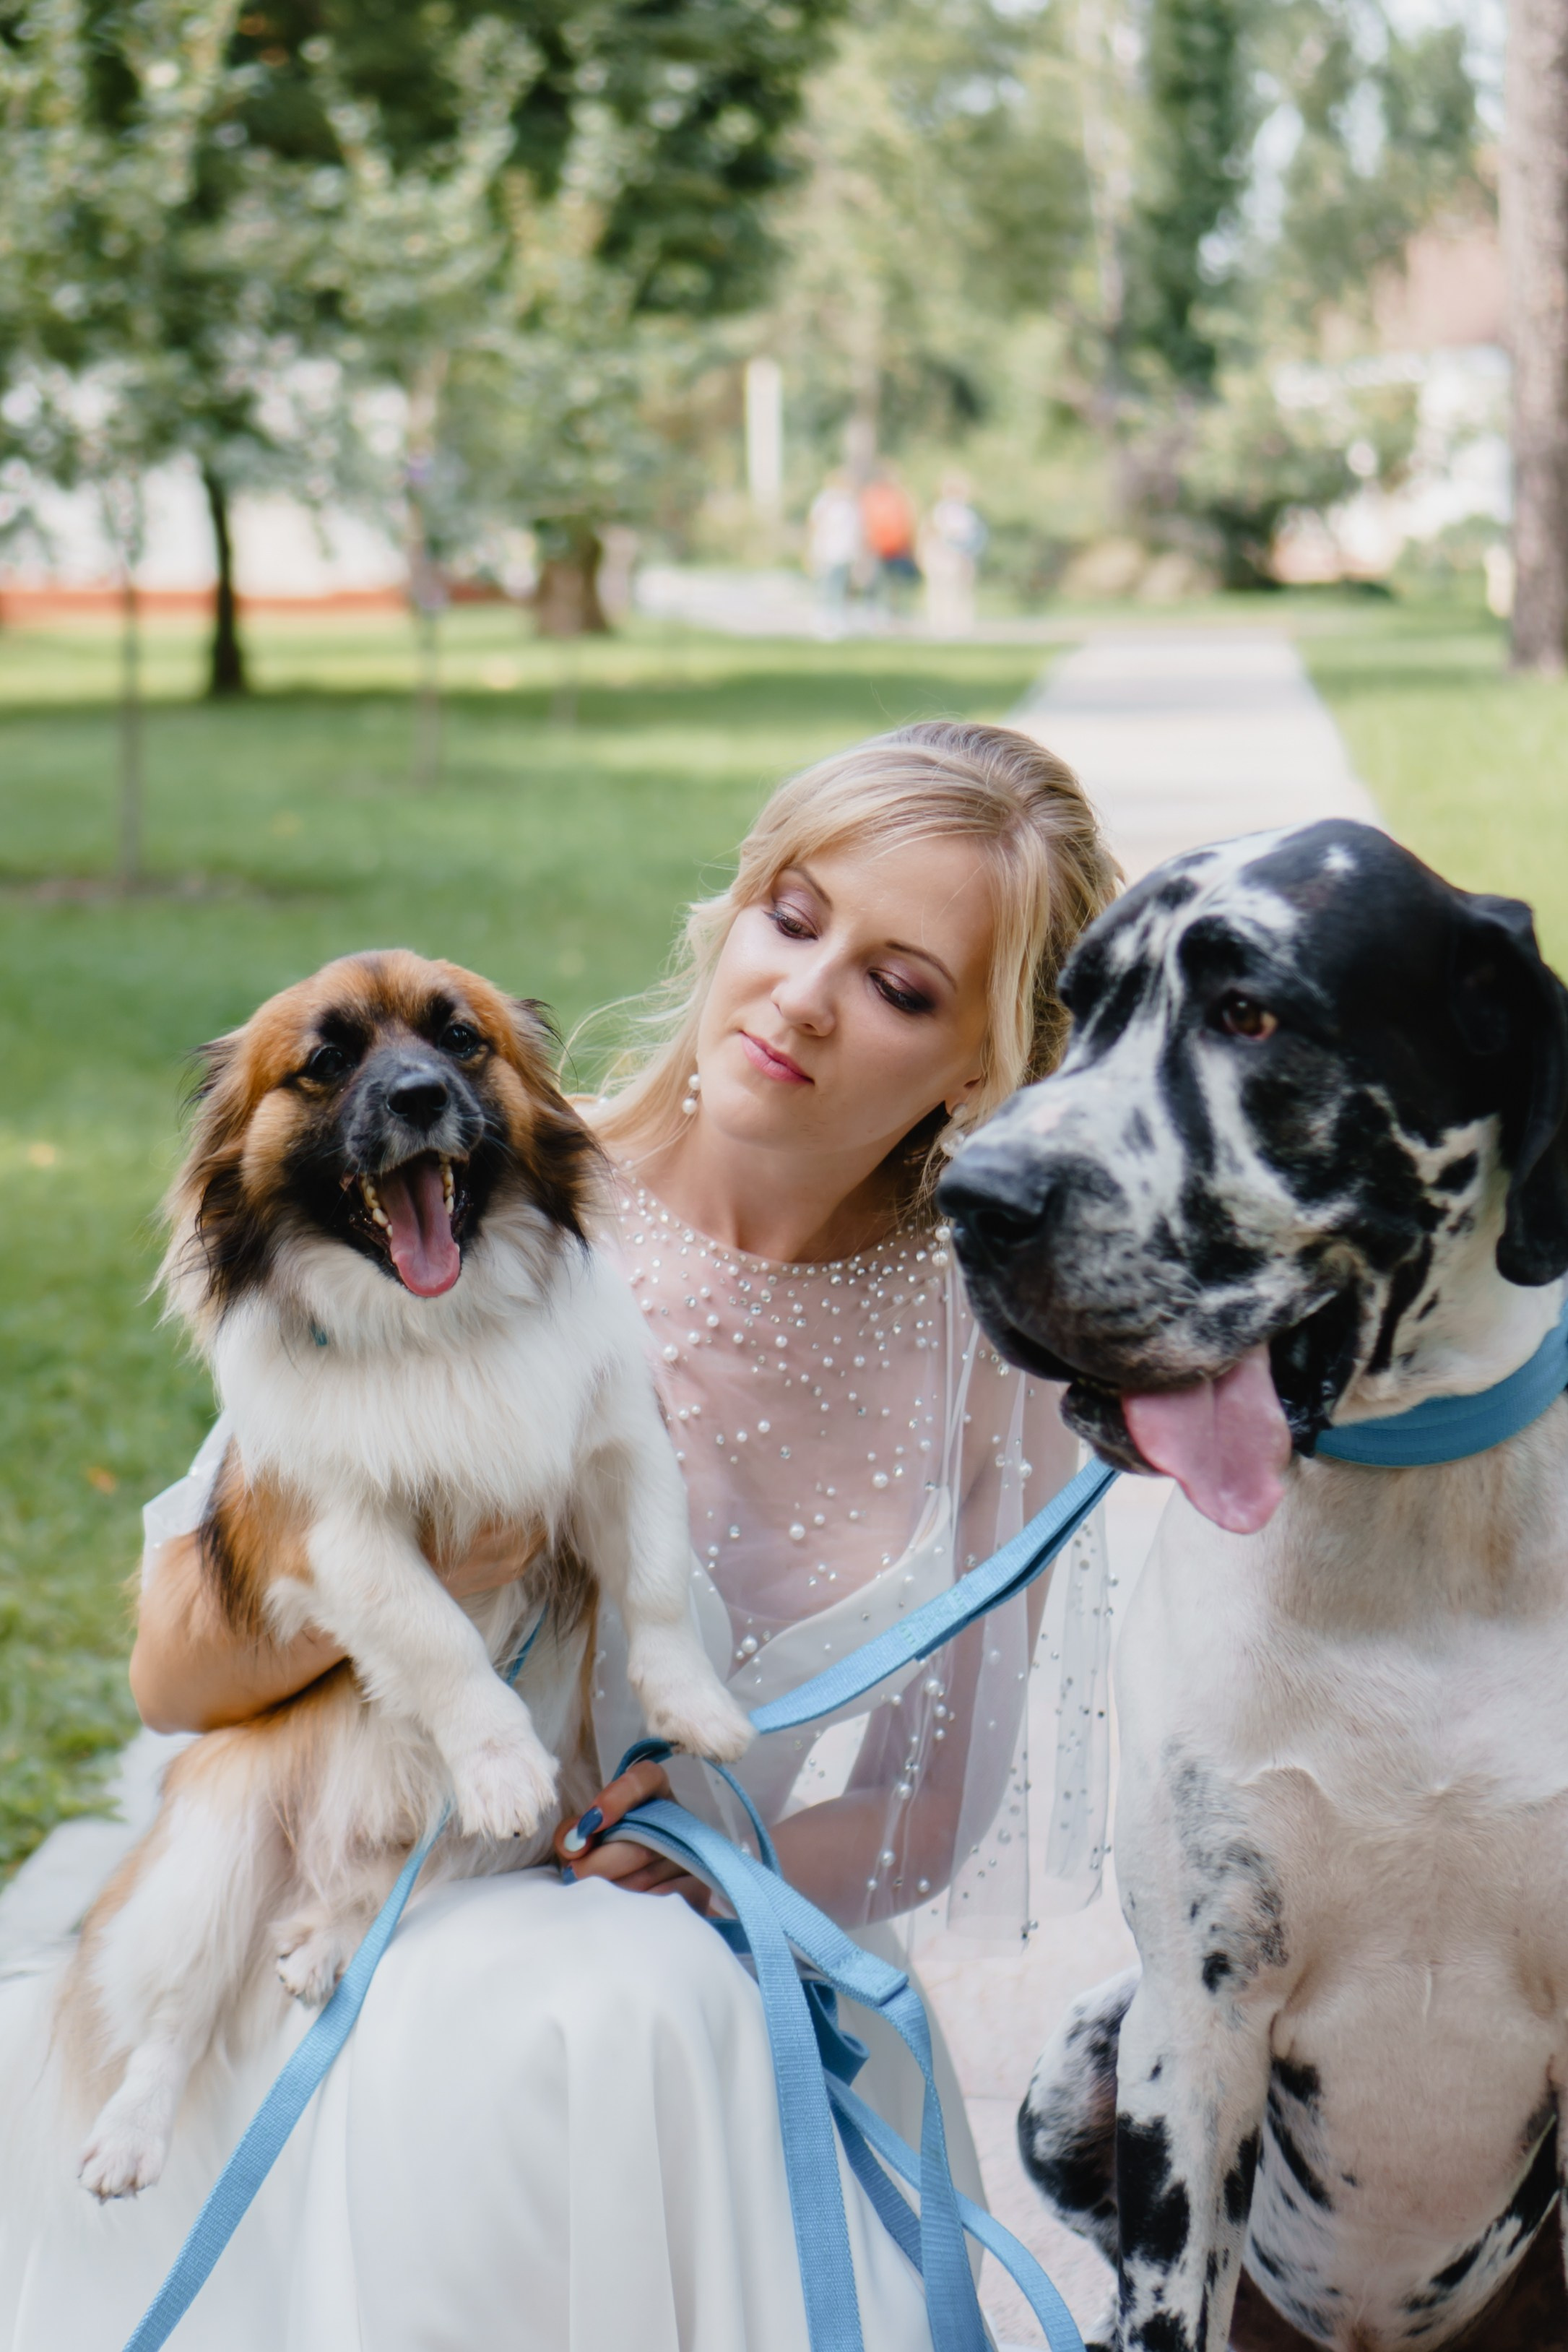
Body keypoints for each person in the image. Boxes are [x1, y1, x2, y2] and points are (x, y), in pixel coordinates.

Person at [0, 721, 1119, 2352]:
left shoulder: (988, 1348)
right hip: (381, 1891)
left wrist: (715, 1861)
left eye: (899, 985)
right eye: (792, 917)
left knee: (629, 1999)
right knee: (575, 2013)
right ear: (731, 914)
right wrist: (445, 1571)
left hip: (715, 1940)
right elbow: (173, 1673)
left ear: (980, 1063)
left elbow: (937, 1802)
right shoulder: (471, 1191)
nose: (803, 996)